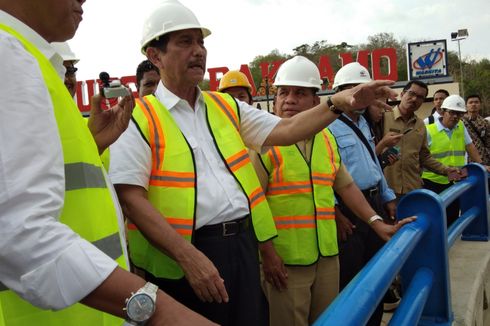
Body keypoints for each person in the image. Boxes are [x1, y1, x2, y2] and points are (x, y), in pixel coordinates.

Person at [108, 1, 402, 325]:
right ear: (154, 55)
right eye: (185, 42)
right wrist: (189, 257)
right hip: (184, 258)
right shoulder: (137, 116)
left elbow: (287, 129)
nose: (198, 51)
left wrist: (338, 102)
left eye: (201, 41)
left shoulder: (224, 106)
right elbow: (131, 198)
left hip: (241, 247)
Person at [0, 1, 216, 325]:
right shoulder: (9, 54)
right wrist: (158, 310)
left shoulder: (29, 61)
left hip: (89, 309)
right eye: (185, 42)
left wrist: (94, 143)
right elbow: (17, 230)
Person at [248, 57, 414, 326]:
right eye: (283, 92)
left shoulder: (326, 138)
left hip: (327, 255)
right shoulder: (262, 142)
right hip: (285, 261)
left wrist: (375, 222)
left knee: (330, 320)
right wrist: (266, 253)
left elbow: (345, 185)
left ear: (316, 102)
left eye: (299, 93)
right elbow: (253, 202)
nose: (289, 99)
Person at [328, 62, 398, 325]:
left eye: (362, 88)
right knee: (352, 277)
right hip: (349, 211)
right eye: (351, 89)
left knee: (377, 271)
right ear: (339, 92)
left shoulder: (364, 123)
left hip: (375, 202)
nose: (358, 95)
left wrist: (387, 194)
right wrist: (336, 212)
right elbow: (326, 174)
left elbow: (371, 162)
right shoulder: (329, 125)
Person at [382, 80, 458, 197]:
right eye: (411, 94)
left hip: (413, 190)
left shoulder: (420, 125)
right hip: (387, 191)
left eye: (420, 97)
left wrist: (446, 170)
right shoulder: (383, 118)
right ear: (402, 94)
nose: (414, 99)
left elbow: (424, 156)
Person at [422, 95, 489, 226]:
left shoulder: (461, 126)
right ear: (443, 111)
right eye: (452, 112)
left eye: (459, 114)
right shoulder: (429, 130)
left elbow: (470, 146)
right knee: (436, 219)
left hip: (456, 179)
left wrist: (481, 166)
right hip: (433, 181)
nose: (455, 117)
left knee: (452, 216)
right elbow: (422, 156)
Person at [462, 94, 490, 165]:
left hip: (483, 159)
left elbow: (488, 142)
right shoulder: (460, 122)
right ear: (466, 106)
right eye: (470, 102)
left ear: (480, 105)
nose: (473, 104)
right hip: (466, 158)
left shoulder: (485, 122)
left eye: (476, 102)